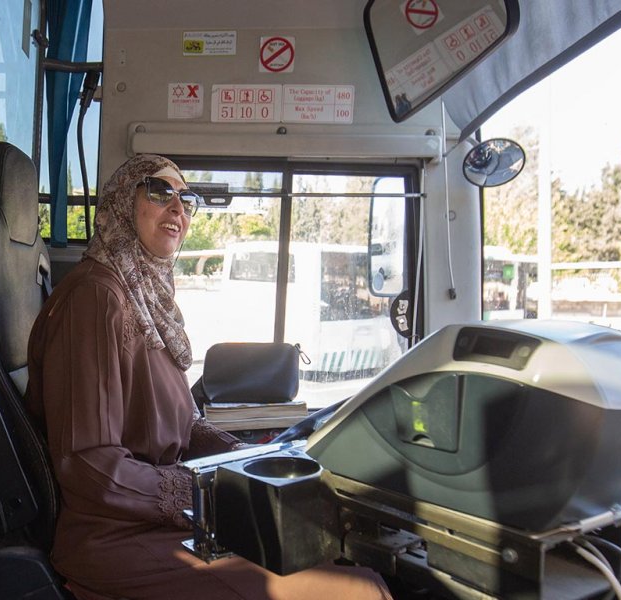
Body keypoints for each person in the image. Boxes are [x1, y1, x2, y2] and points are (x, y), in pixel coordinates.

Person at [26, 154, 391, 600]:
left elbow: (186, 427)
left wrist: (244, 460)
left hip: (156, 520)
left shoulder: (144, 296)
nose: (177, 209)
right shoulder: (97, 297)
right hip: (116, 537)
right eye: (159, 193)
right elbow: (91, 466)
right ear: (123, 202)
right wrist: (209, 492)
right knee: (354, 589)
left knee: (336, 556)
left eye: (187, 199)